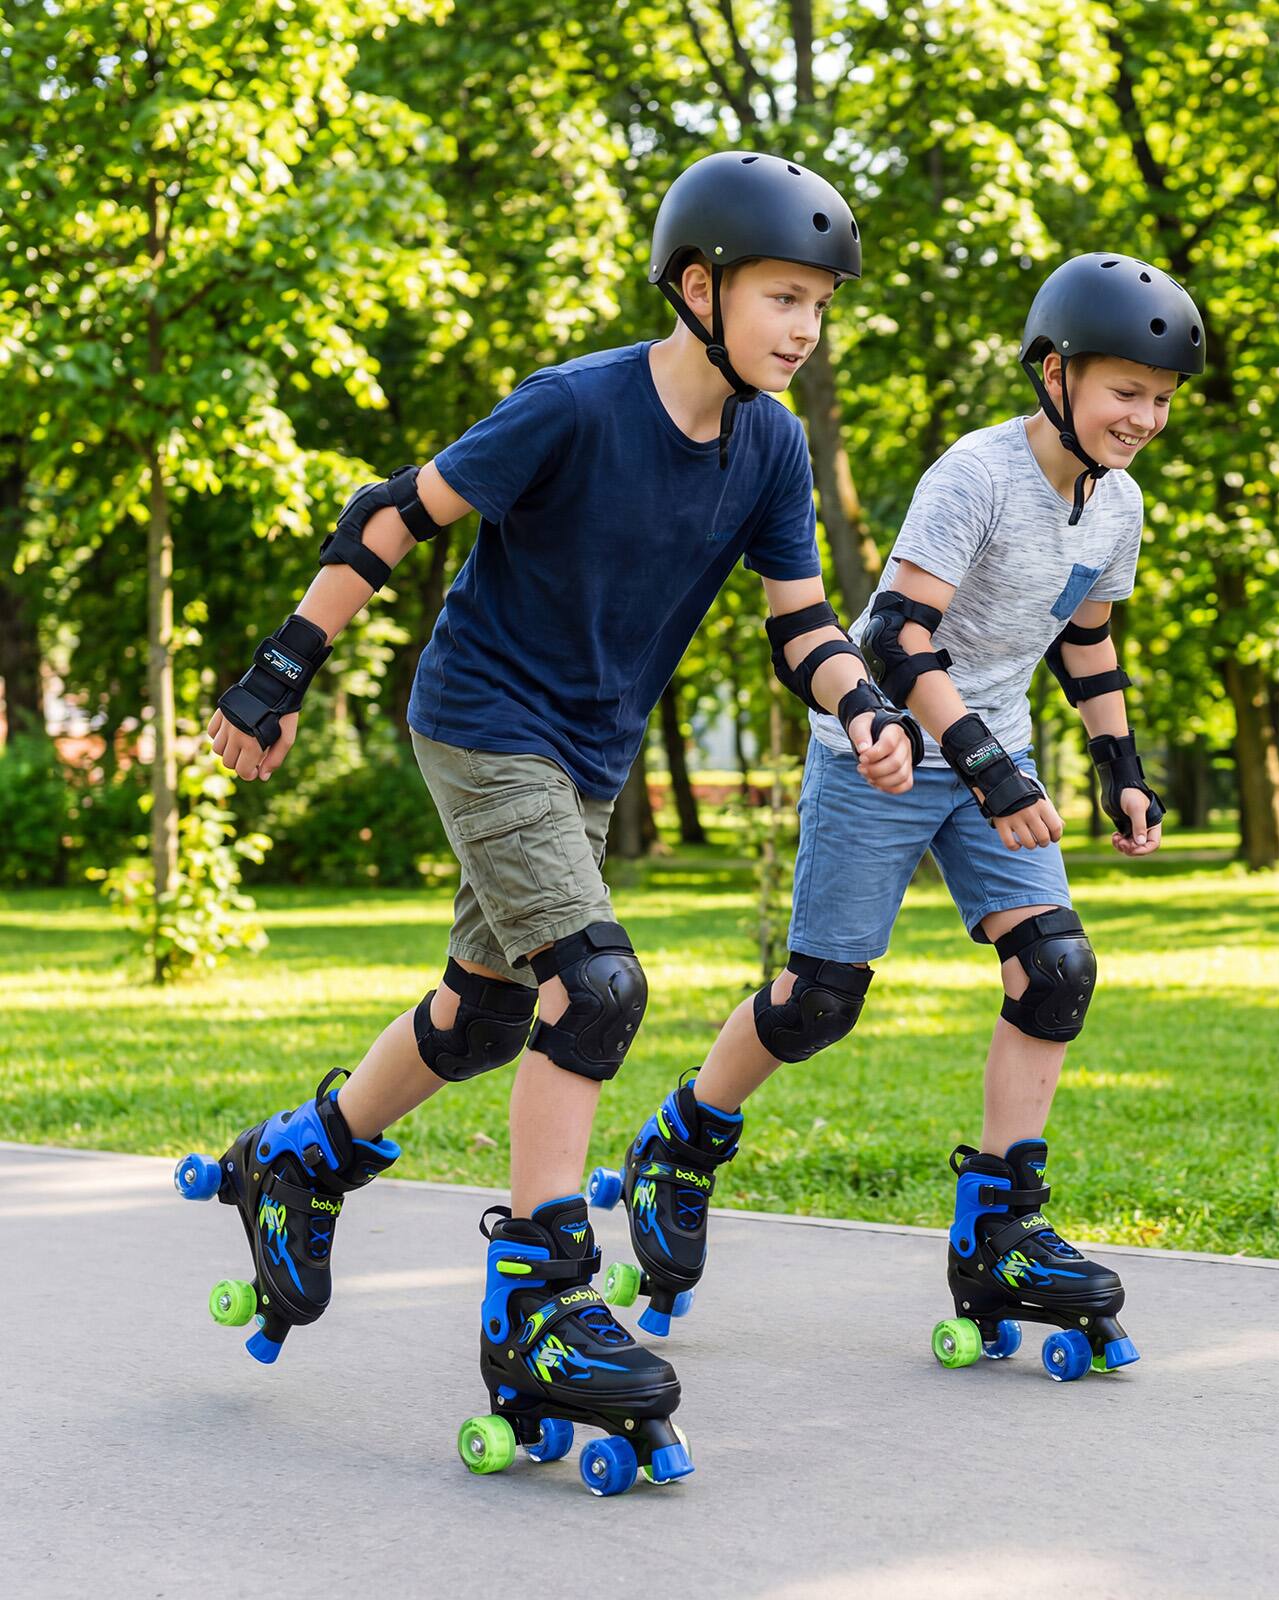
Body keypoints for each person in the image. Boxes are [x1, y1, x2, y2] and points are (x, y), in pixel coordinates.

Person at [174, 150, 919, 1494]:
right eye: (783, 298)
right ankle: (538, 1300)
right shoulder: (572, 408)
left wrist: (861, 702)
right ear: (700, 287)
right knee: (598, 985)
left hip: (585, 752)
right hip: (480, 719)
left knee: (487, 1015)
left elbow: (800, 623)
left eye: (820, 305)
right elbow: (392, 516)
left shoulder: (768, 447)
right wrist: (279, 672)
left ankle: (298, 1161)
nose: (805, 330)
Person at [590, 252, 1205, 1384]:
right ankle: (682, 1139)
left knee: (1056, 969)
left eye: (1162, 400)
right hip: (882, 749)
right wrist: (982, 766)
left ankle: (1001, 1231)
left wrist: (1120, 763)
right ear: (1054, 373)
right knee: (820, 999)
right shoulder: (973, 475)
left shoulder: (1115, 505)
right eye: (1127, 391)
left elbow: (1087, 639)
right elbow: (892, 637)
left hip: (996, 753)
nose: (1145, 418)